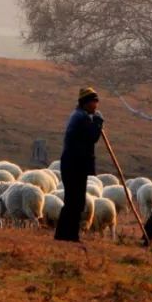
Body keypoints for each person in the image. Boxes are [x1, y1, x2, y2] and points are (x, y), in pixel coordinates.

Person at [54, 86, 104, 242]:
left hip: (73, 164)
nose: (95, 105)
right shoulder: (81, 118)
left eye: (96, 102)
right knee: (75, 201)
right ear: (85, 103)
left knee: (74, 200)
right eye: (93, 102)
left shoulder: (79, 116)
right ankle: (69, 235)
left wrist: (94, 121)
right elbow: (92, 137)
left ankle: (64, 234)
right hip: (75, 165)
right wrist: (98, 122)